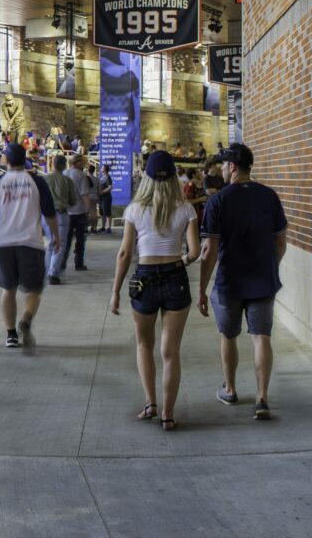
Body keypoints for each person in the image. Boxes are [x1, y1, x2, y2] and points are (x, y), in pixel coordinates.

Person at [110, 151, 201, 431]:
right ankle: (168, 415)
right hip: (175, 277)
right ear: (174, 176)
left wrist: (115, 291)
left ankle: (151, 403)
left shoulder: (135, 209)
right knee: (170, 351)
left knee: (144, 345)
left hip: (144, 280)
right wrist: (181, 261)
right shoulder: (185, 208)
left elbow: (125, 253)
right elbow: (195, 252)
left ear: (146, 177)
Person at [198, 143, 288, 421]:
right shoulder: (269, 196)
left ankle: (231, 389)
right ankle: (262, 398)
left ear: (233, 167)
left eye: (224, 164)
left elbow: (209, 251)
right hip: (263, 281)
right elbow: (280, 242)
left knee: (228, 335)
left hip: (230, 283)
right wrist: (269, 267)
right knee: (262, 337)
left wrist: (201, 288)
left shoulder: (218, 201)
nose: (222, 169)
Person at [0, 144, 58, 353]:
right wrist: (56, 236)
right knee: (32, 289)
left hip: (4, 244)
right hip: (31, 243)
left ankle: (11, 335)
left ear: (6, 160)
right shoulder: (37, 181)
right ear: (25, 159)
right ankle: (26, 319)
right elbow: (49, 212)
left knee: (8, 289)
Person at [42, 154, 78, 285]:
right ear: (64, 166)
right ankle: (53, 273)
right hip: (62, 214)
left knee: (50, 242)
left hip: (46, 215)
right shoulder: (67, 181)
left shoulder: (44, 179)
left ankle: (47, 271)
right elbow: (73, 201)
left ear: (53, 164)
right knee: (60, 244)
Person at [65, 155, 96, 271]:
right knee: (80, 239)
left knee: (66, 239)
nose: (84, 164)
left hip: (66, 212)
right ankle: (78, 262)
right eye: (83, 162)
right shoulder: (81, 175)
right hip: (79, 212)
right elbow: (85, 195)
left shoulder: (64, 173)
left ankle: (62, 263)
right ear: (77, 162)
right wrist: (91, 211)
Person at [95, 163, 115, 233]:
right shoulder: (102, 177)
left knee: (107, 213)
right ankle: (103, 227)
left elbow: (110, 187)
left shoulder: (108, 177)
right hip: (101, 198)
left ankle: (109, 228)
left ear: (105, 169)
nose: (101, 168)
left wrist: (102, 192)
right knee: (102, 213)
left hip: (106, 198)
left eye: (102, 167)